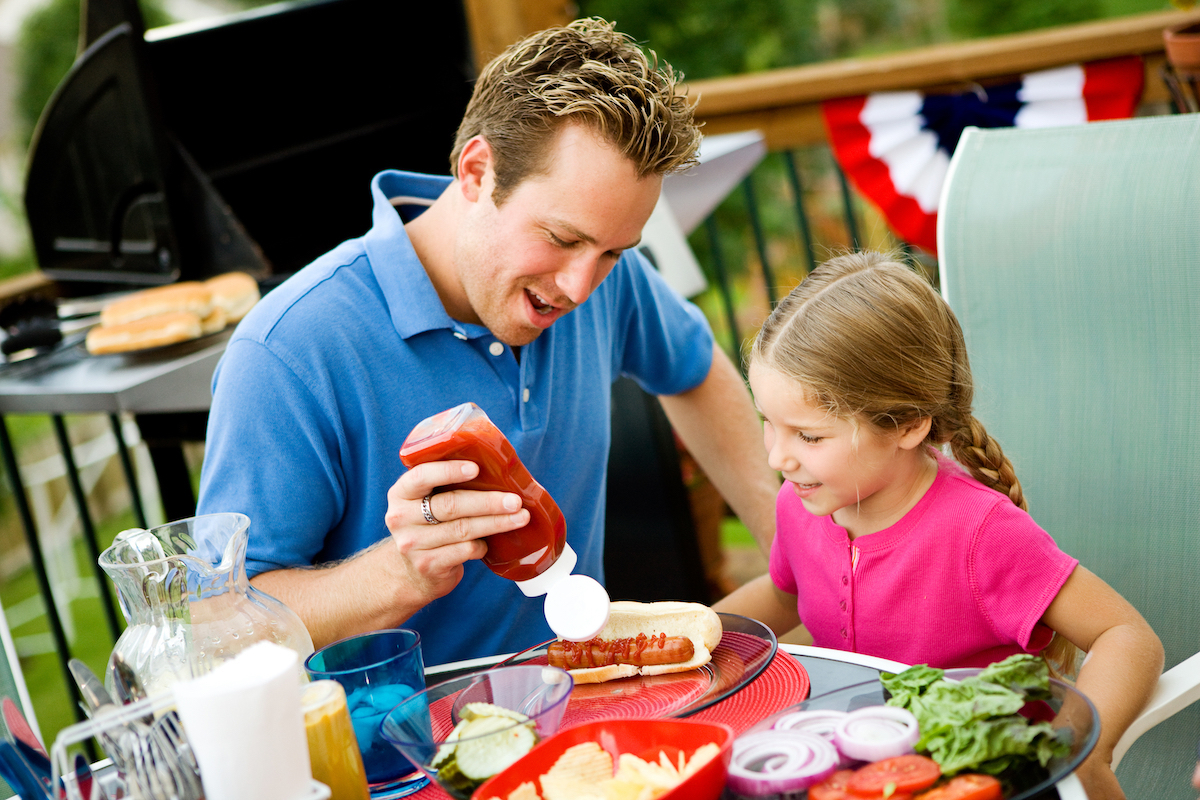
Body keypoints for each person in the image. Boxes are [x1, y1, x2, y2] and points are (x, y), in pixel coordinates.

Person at [195, 18, 778, 668]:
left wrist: (792, 553)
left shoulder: (602, 275)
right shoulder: (287, 350)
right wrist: (398, 575)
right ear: (476, 172)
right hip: (399, 755)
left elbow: (694, 369)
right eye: (560, 238)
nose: (581, 287)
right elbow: (221, 629)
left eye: (613, 252)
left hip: (585, 711)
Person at [714, 251, 1163, 800]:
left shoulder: (981, 533)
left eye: (808, 436)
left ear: (907, 425)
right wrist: (696, 632)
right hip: (858, 769)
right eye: (769, 424)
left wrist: (1081, 751)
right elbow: (787, 595)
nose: (778, 458)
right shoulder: (802, 503)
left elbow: (1127, 636)